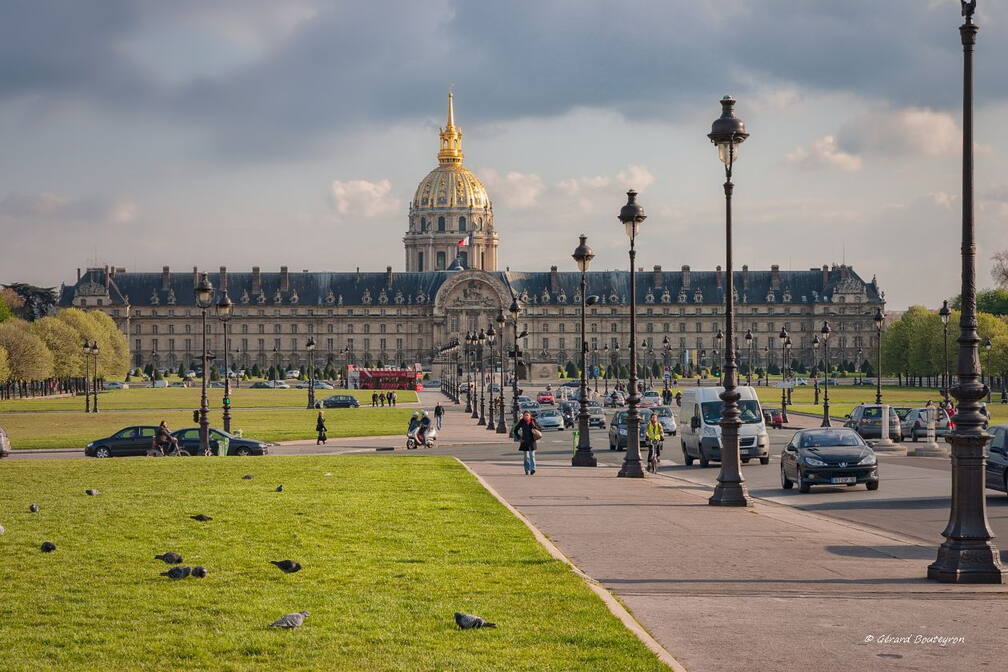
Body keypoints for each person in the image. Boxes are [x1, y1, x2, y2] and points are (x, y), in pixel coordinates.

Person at [512, 410, 542, 475]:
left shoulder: (533, 421)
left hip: (532, 441)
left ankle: (533, 469)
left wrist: (534, 426)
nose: (526, 416)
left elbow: (539, 429)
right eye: (525, 415)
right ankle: (527, 469)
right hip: (524, 441)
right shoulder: (522, 421)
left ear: (530, 416)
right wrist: (519, 437)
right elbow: (515, 430)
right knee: (526, 457)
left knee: (532, 456)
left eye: (527, 415)